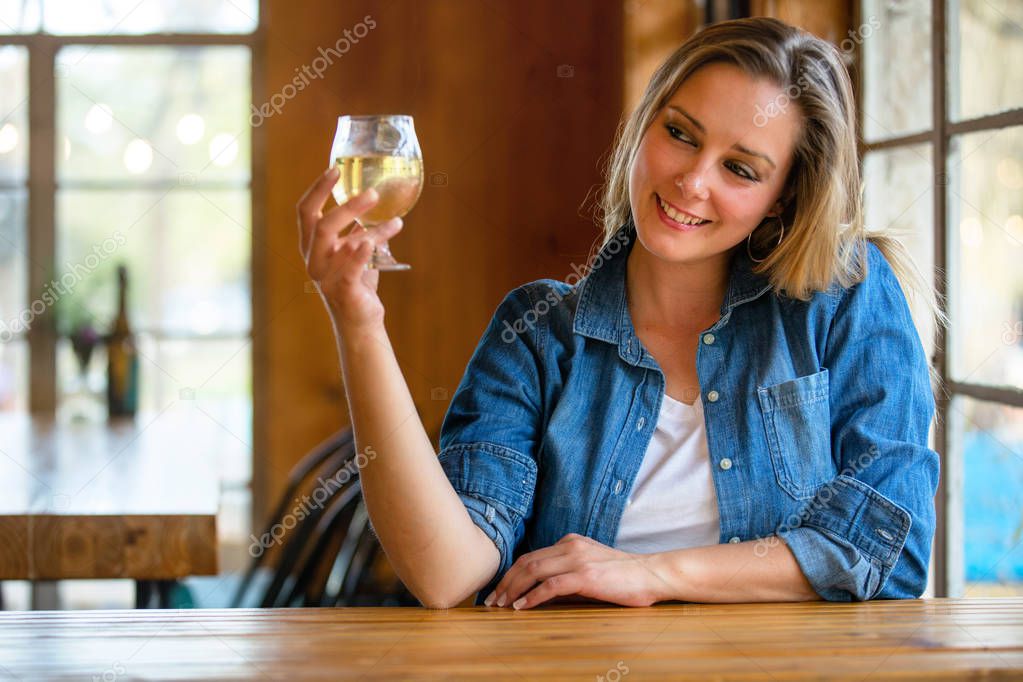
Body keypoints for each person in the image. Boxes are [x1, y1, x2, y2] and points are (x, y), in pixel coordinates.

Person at [296, 17, 941, 610]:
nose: (692, 181)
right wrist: (358, 321)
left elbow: (892, 552)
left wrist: (655, 572)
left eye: (740, 169)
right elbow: (446, 575)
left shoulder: (844, 294)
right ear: (643, 129)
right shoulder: (539, 333)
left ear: (782, 199)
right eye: (681, 134)